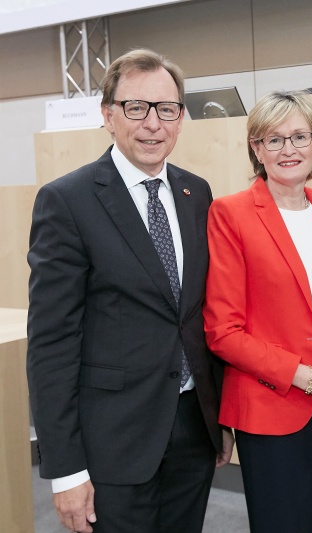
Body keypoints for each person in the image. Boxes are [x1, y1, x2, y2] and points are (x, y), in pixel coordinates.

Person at [27, 48, 234, 533]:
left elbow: (197, 313)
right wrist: (65, 470)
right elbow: (51, 345)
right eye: (136, 107)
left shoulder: (196, 193)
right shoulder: (67, 201)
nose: (153, 123)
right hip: (112, 443)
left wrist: (217, 416)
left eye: (167, 109)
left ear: (181, 118)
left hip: (191, 429)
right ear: (108, 115)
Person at [203, 90, 312, 533]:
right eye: (273, 140)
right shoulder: (231, 213)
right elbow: (223, 331)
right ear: (256, 149)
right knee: (285, 522)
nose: (289, 149)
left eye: (300, 136)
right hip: (273, 395)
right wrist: (310, 378)